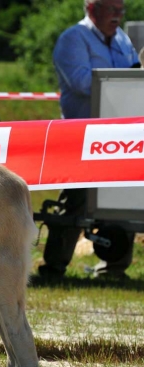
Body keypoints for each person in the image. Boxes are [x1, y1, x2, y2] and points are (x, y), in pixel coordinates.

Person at [38, 0, 139, 279]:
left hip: (120, 132)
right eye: (112, 9)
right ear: (92, 9)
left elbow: (134, 72)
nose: (118, 15)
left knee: (123, 196)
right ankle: (54, 267)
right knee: (76, 200)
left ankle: (114, 267)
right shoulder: (73, 38)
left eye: (121, 9)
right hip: (82, 135)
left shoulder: (121, 38)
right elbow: (81, 82)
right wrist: (129, 79)